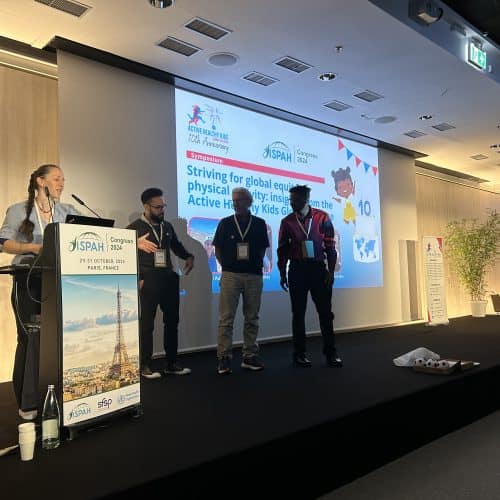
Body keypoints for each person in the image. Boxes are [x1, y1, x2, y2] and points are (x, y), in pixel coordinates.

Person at [0, 164, 80, 419]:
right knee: (30, 338)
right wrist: (34, 248)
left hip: (58, 281)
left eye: (63, 179)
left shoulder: (67, 211)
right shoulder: (18, 210)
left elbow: (92, 233)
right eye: (57, 179)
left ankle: (54, 395)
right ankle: (27, 402)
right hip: (29, 280)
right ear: (40, 181)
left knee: (54, 340)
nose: (62, 183)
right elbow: (3, 243)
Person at [127, 188, 194, 379]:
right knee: (146, 324)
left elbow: (176, 246)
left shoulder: (167, 226)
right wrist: (138, 277)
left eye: (163, 206)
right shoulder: (134, 228)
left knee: (172, 322)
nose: (162, 210)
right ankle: (144, 365)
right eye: (157, 207)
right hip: (147, 280)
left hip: (168, 279)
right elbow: (124, 255)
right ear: (146, 207)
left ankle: (171, 364)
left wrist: (188, 256)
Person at [277, 185, 343, 368]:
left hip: (318, 269)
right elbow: (282, 249)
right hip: (297, 269)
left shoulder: (322, 217)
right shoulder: (287, 222)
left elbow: (330, 246)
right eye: (290, 200)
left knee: (325, 313)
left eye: (295, 200)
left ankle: (331, 353)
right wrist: (282, 272)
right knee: (298, 314)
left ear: (306, 199)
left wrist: (331, 271)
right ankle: (299, 355)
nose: (292, 203)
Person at [212, 187, 269, 374]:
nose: (235, 203)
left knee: (252, 317)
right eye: (233, 200)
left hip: (254, 275)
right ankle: (224, 358)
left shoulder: (259, 223)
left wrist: (253, 264)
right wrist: (228, 266)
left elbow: (262, 249)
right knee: (226, 318)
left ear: (249, 201)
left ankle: (249, 356)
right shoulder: (225, 223)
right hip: (231, 275)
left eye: (239, 200)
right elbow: (217, 249)